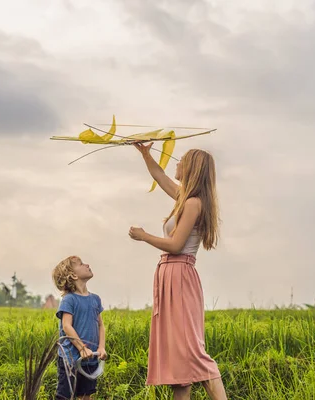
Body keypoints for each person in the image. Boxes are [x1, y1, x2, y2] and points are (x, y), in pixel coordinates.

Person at [129, 143, 228, 400]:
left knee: (193, 351)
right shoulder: (185, 198)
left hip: (180, 276)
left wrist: (144, 236)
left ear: (192, 168)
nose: (176, 163)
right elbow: (159, 176)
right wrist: (145, 154)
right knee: (177, 359)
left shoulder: (194, 203)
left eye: (181, 160)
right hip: (170, 276)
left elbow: (175, 245)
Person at [52, 256, 107, 400]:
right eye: (81, 264)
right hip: (70, 358)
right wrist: (82, 348)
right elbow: (66, 325)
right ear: (74, 275)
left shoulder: (95, 299)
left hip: (90, 358)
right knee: (65, 396)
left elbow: (100, 324)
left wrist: (101, 347)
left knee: (86, 395)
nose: (87, 264)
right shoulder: (69, 300)